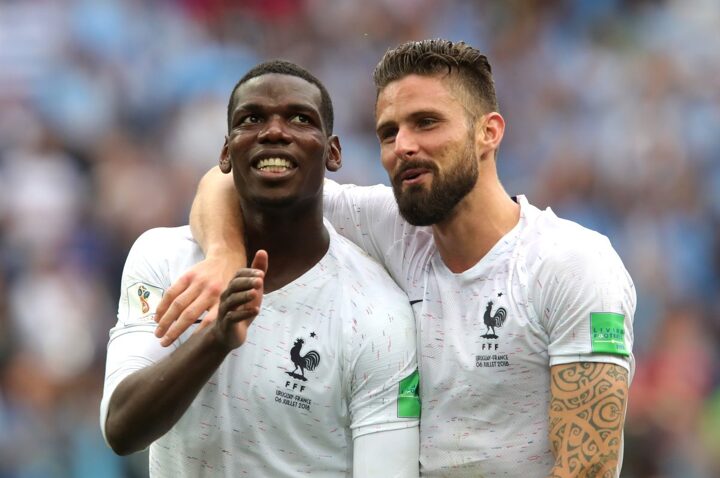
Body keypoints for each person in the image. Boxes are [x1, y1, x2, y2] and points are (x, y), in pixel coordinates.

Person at [154, 40, 636, 477]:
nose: (403, 146)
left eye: (426, 123)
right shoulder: (392, 228)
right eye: (388, 132)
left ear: (488, 132)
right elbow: (227, 180)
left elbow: (588, 468)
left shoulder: (569, 263)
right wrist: (224, 256)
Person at [100, 60, 421, 477]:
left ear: (333, 152)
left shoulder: (379, 314)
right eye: (251, 118)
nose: (274, 132)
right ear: (225, 153)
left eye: (300, 119)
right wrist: (216, 339)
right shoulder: (162, 258)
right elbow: (121, 429)